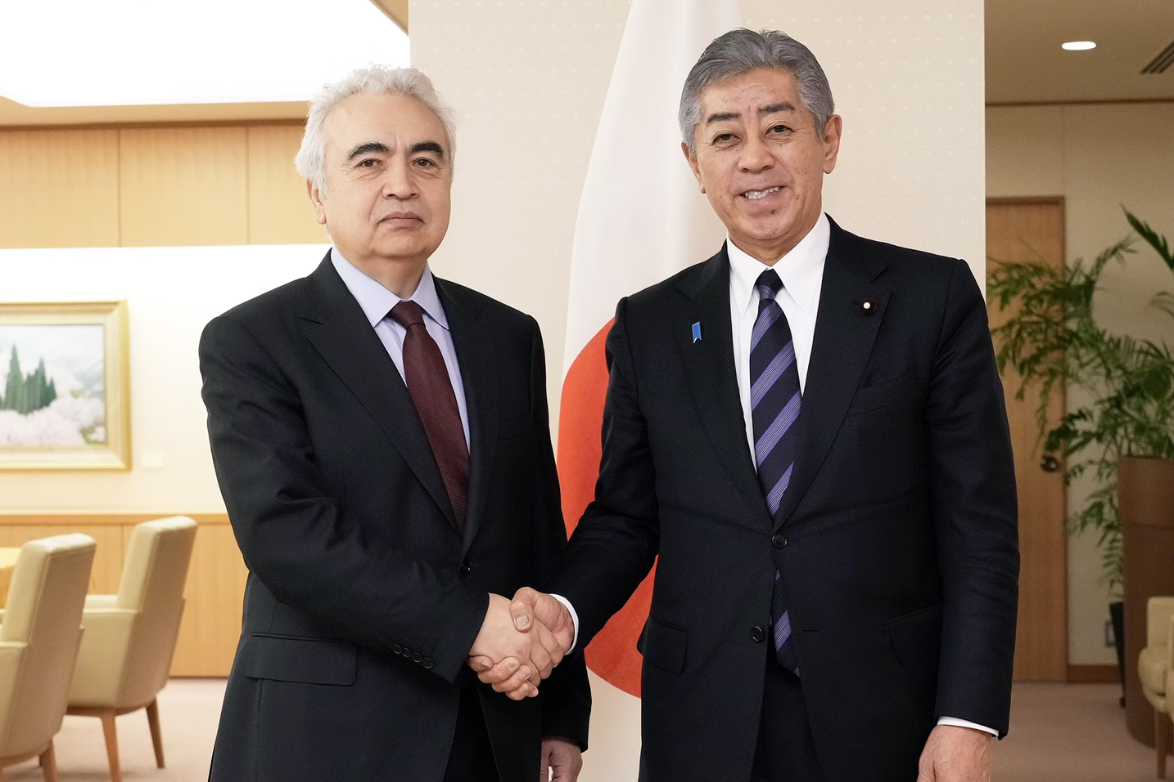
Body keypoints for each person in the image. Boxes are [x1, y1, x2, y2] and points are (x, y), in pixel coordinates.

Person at [475, 29, 1019, 782]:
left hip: (884, 714)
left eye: (780, 128)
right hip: (703, 718)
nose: (754, 158)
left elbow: (979, 529)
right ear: (694, 163)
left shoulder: (931, 300)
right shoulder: (650, 325)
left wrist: (967, 717)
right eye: (725, 137)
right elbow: (627, 516)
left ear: (829, 141)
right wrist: (560, 615)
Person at [199, 65, 589, 782]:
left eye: (426, 161)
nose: (403, 184)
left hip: (495, 722)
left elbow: (537, 528)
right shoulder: (253, 340)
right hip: (328, 733)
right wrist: (470, 623)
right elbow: (288, 535)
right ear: (318, 194)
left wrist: (560, 712)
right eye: (369, 161)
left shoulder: (509, 337)